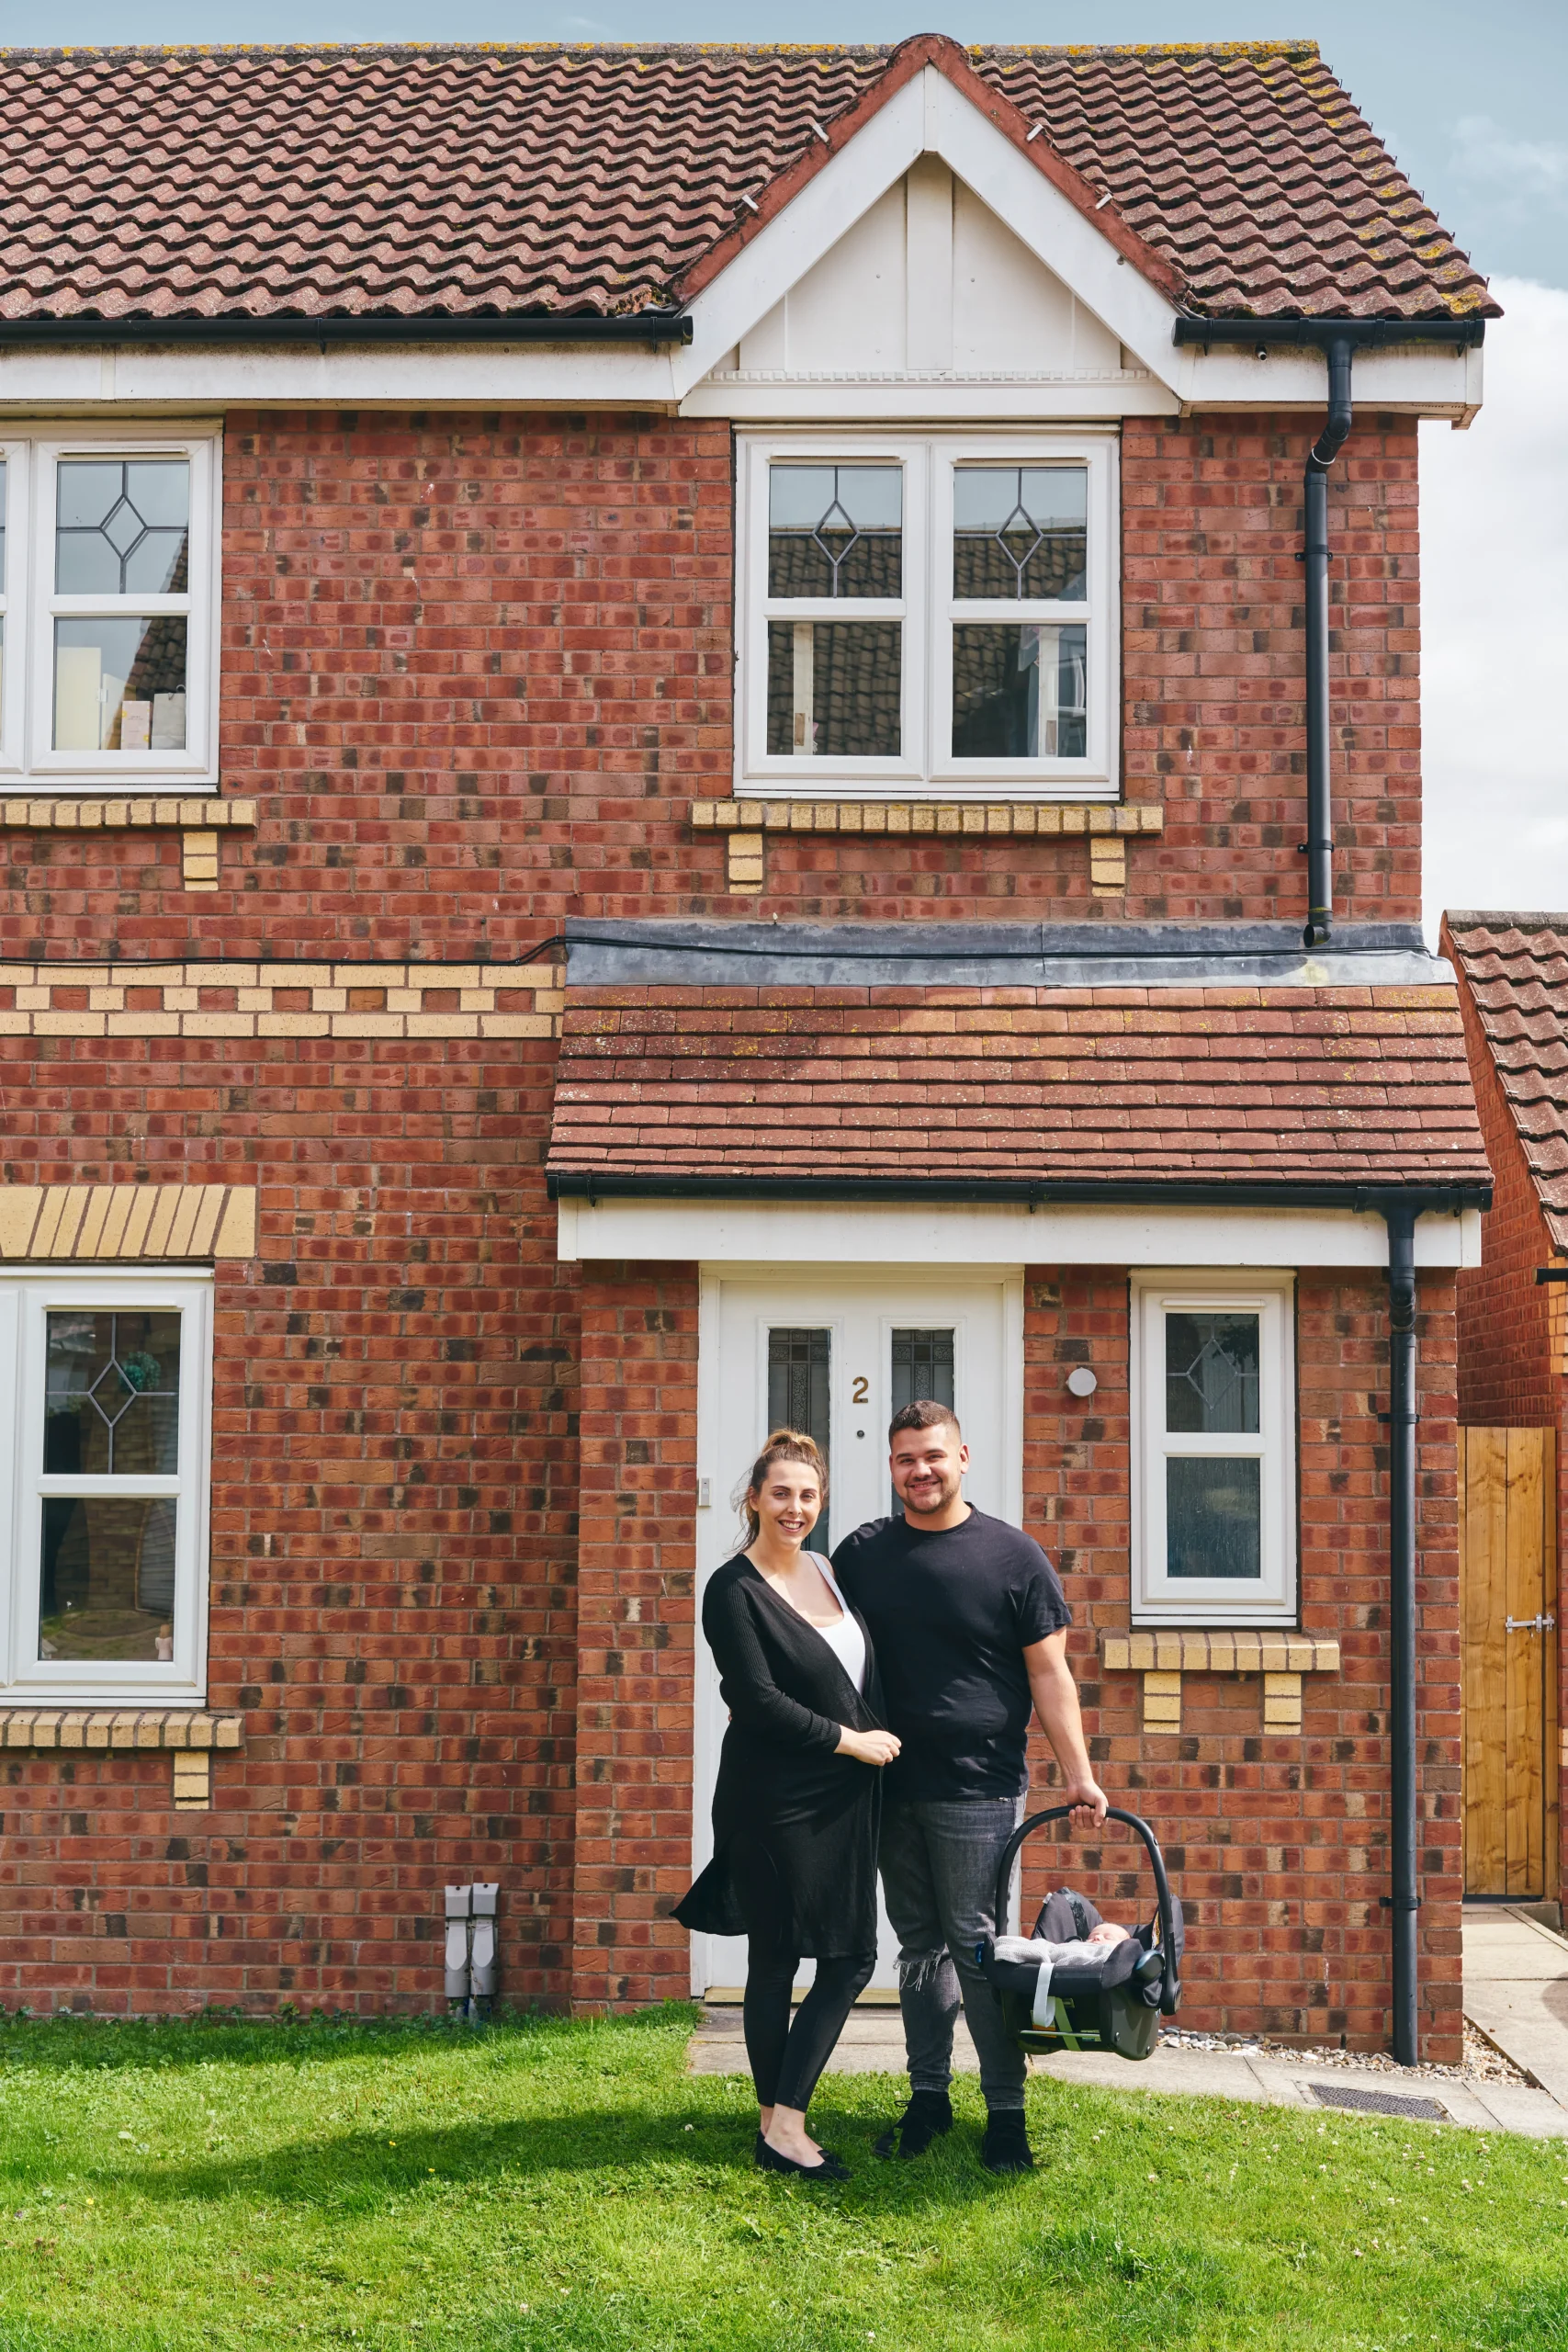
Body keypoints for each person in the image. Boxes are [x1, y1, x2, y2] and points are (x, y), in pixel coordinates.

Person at [832, 1399, 1108, 2176]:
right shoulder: (860, 1555)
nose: (919, 1471)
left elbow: (1050, 1676)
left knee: (979, 1950)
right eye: (904, 1460)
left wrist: (1079, 1776)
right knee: (919, 1950)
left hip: (978, 1790)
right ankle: (927, 2099)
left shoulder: (1012, 1557)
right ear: (890, 1467)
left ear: (963, 1458)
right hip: (886, 1784)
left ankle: (1005, 2114)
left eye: (932, 1456)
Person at [674, 1429, 900, 2181]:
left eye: (807, 1495)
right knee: (781, 1958)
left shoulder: (828, 1572)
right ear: (753, 1498)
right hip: (771, 1799)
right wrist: (850, 1740)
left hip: (843, 1798)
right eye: (780, 1493)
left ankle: (776, 2120)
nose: (794, 1507)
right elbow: (755, 1700)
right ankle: (785, 2127)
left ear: (820, 1501)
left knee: (845, 1955)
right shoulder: (731, 1588)